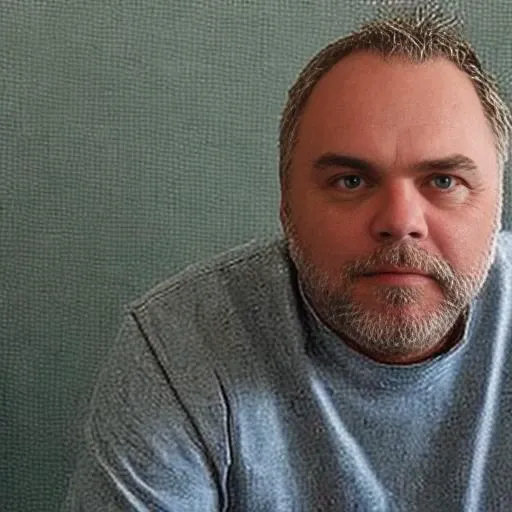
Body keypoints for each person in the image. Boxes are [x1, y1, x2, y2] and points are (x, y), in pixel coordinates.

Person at [63, 7, 512, 511]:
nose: (400, 220)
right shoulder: (183, 345)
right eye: (351, 181)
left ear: (497, 207)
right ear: (286, 205)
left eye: (444, 181)